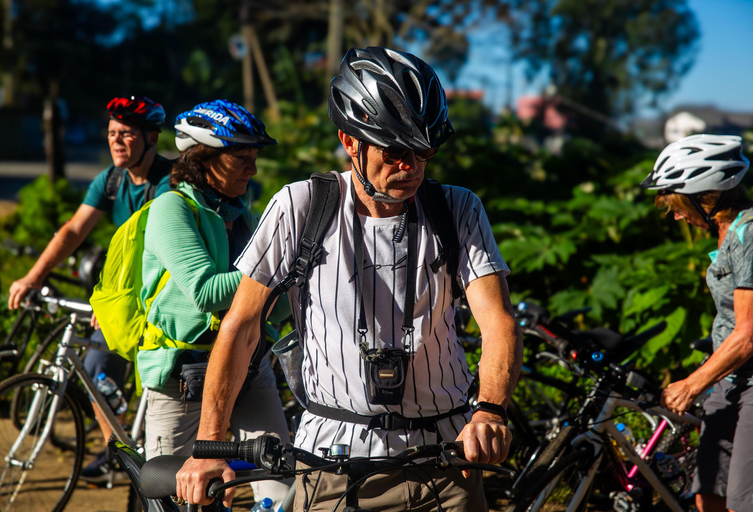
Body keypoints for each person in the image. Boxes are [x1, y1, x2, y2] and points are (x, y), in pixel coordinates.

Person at [176, 46, 523, 512]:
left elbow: (498, 321)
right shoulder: (301, 207)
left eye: (425, 150)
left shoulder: (458, 209)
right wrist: (207, 446)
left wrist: (490, 410)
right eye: (396, 150)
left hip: (446, 461)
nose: (412, 166)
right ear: (349, 140)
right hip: (332, 462)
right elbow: (240, 327)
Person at [138, 99, 292, 510]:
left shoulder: (241, 213)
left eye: (255, 157)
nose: (253, 169)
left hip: (249, 364)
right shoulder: (172, 208)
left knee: (283, 486)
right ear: (203, 157)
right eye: (242, 157)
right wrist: (281, 272)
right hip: (182, 376)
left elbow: (270, 302)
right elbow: (205, 290)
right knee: (178, 499)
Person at [7, 95, 171, 483]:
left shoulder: (170, 183)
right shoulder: (112, 180)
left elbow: (162, 253)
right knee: (97, 375)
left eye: (127, 134)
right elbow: (73, 231)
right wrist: (34, 276)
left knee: (162, 387)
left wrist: (115, 302)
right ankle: (120, 453)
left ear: (151, 138)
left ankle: (165, 466)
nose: (116, 141)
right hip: (122, 295)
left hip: (163, 295)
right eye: (112, 133)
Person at [641, 134, 753, 512]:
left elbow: (751, 335)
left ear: (706, 195)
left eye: (678, 205)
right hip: (729, 381)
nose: (677, 215)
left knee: (745, 503)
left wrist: (691, 384)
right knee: (708, 495)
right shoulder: (730, 233)